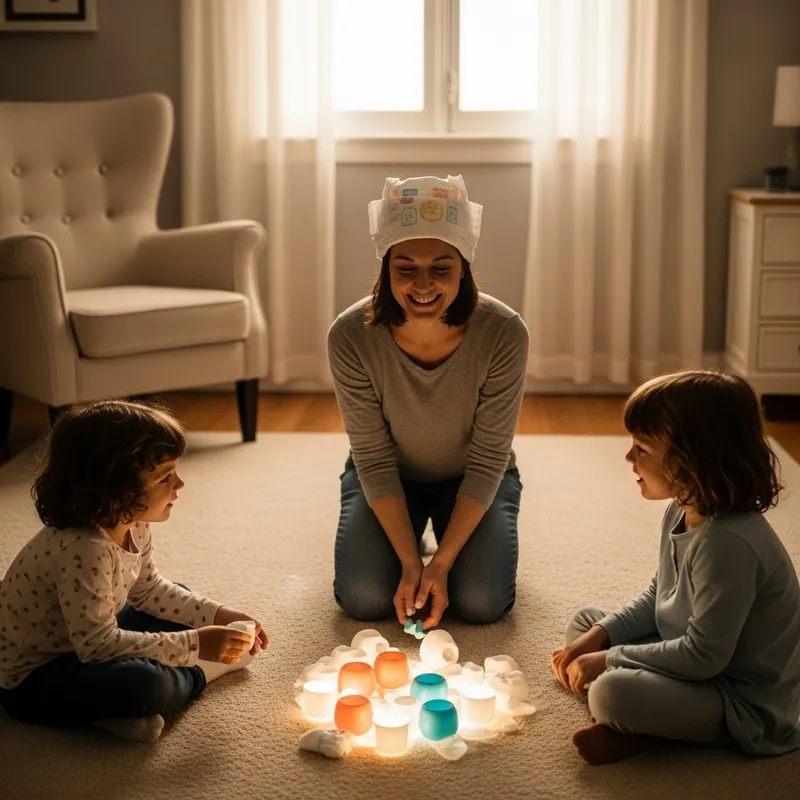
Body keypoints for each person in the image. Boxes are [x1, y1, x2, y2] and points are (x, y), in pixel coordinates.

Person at [552, 370, 800, 765]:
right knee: (584, 624)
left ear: (695, 460)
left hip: (737, 699)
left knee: (610, 691)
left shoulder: (729, 543)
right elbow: (658, 595)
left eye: (642, 449)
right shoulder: (681, 506)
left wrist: (610, 659)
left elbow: (704, 657)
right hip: (688, 654)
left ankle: (651, 731)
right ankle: (645, 725)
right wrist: (599, 637)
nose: (629, 457)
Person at [0, 400, 269, 743]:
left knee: (181, 603)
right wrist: (198, 646)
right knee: (145, 685)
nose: (181, 484)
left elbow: (149, 590)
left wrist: (218, 613)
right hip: (34, 677)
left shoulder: (132, 520)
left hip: (86, 634)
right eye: (165, 477)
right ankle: (202, 674)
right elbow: (97, 646)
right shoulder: (84, 548)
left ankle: (109, 717)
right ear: (115, 490)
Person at [327, 174, 529, 631]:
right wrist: (409, 564)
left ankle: (452, 547)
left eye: (440, 268)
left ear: (463, 269)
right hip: (389, 474)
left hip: (475, 475)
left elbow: (489, 457)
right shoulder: (349, 335)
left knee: (481, 602)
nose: (423, 284)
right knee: (363, 597)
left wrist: (439, 565)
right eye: (406, 268)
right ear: (386, 269)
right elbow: (374, 458)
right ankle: (412, 540)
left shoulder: (504, 332)